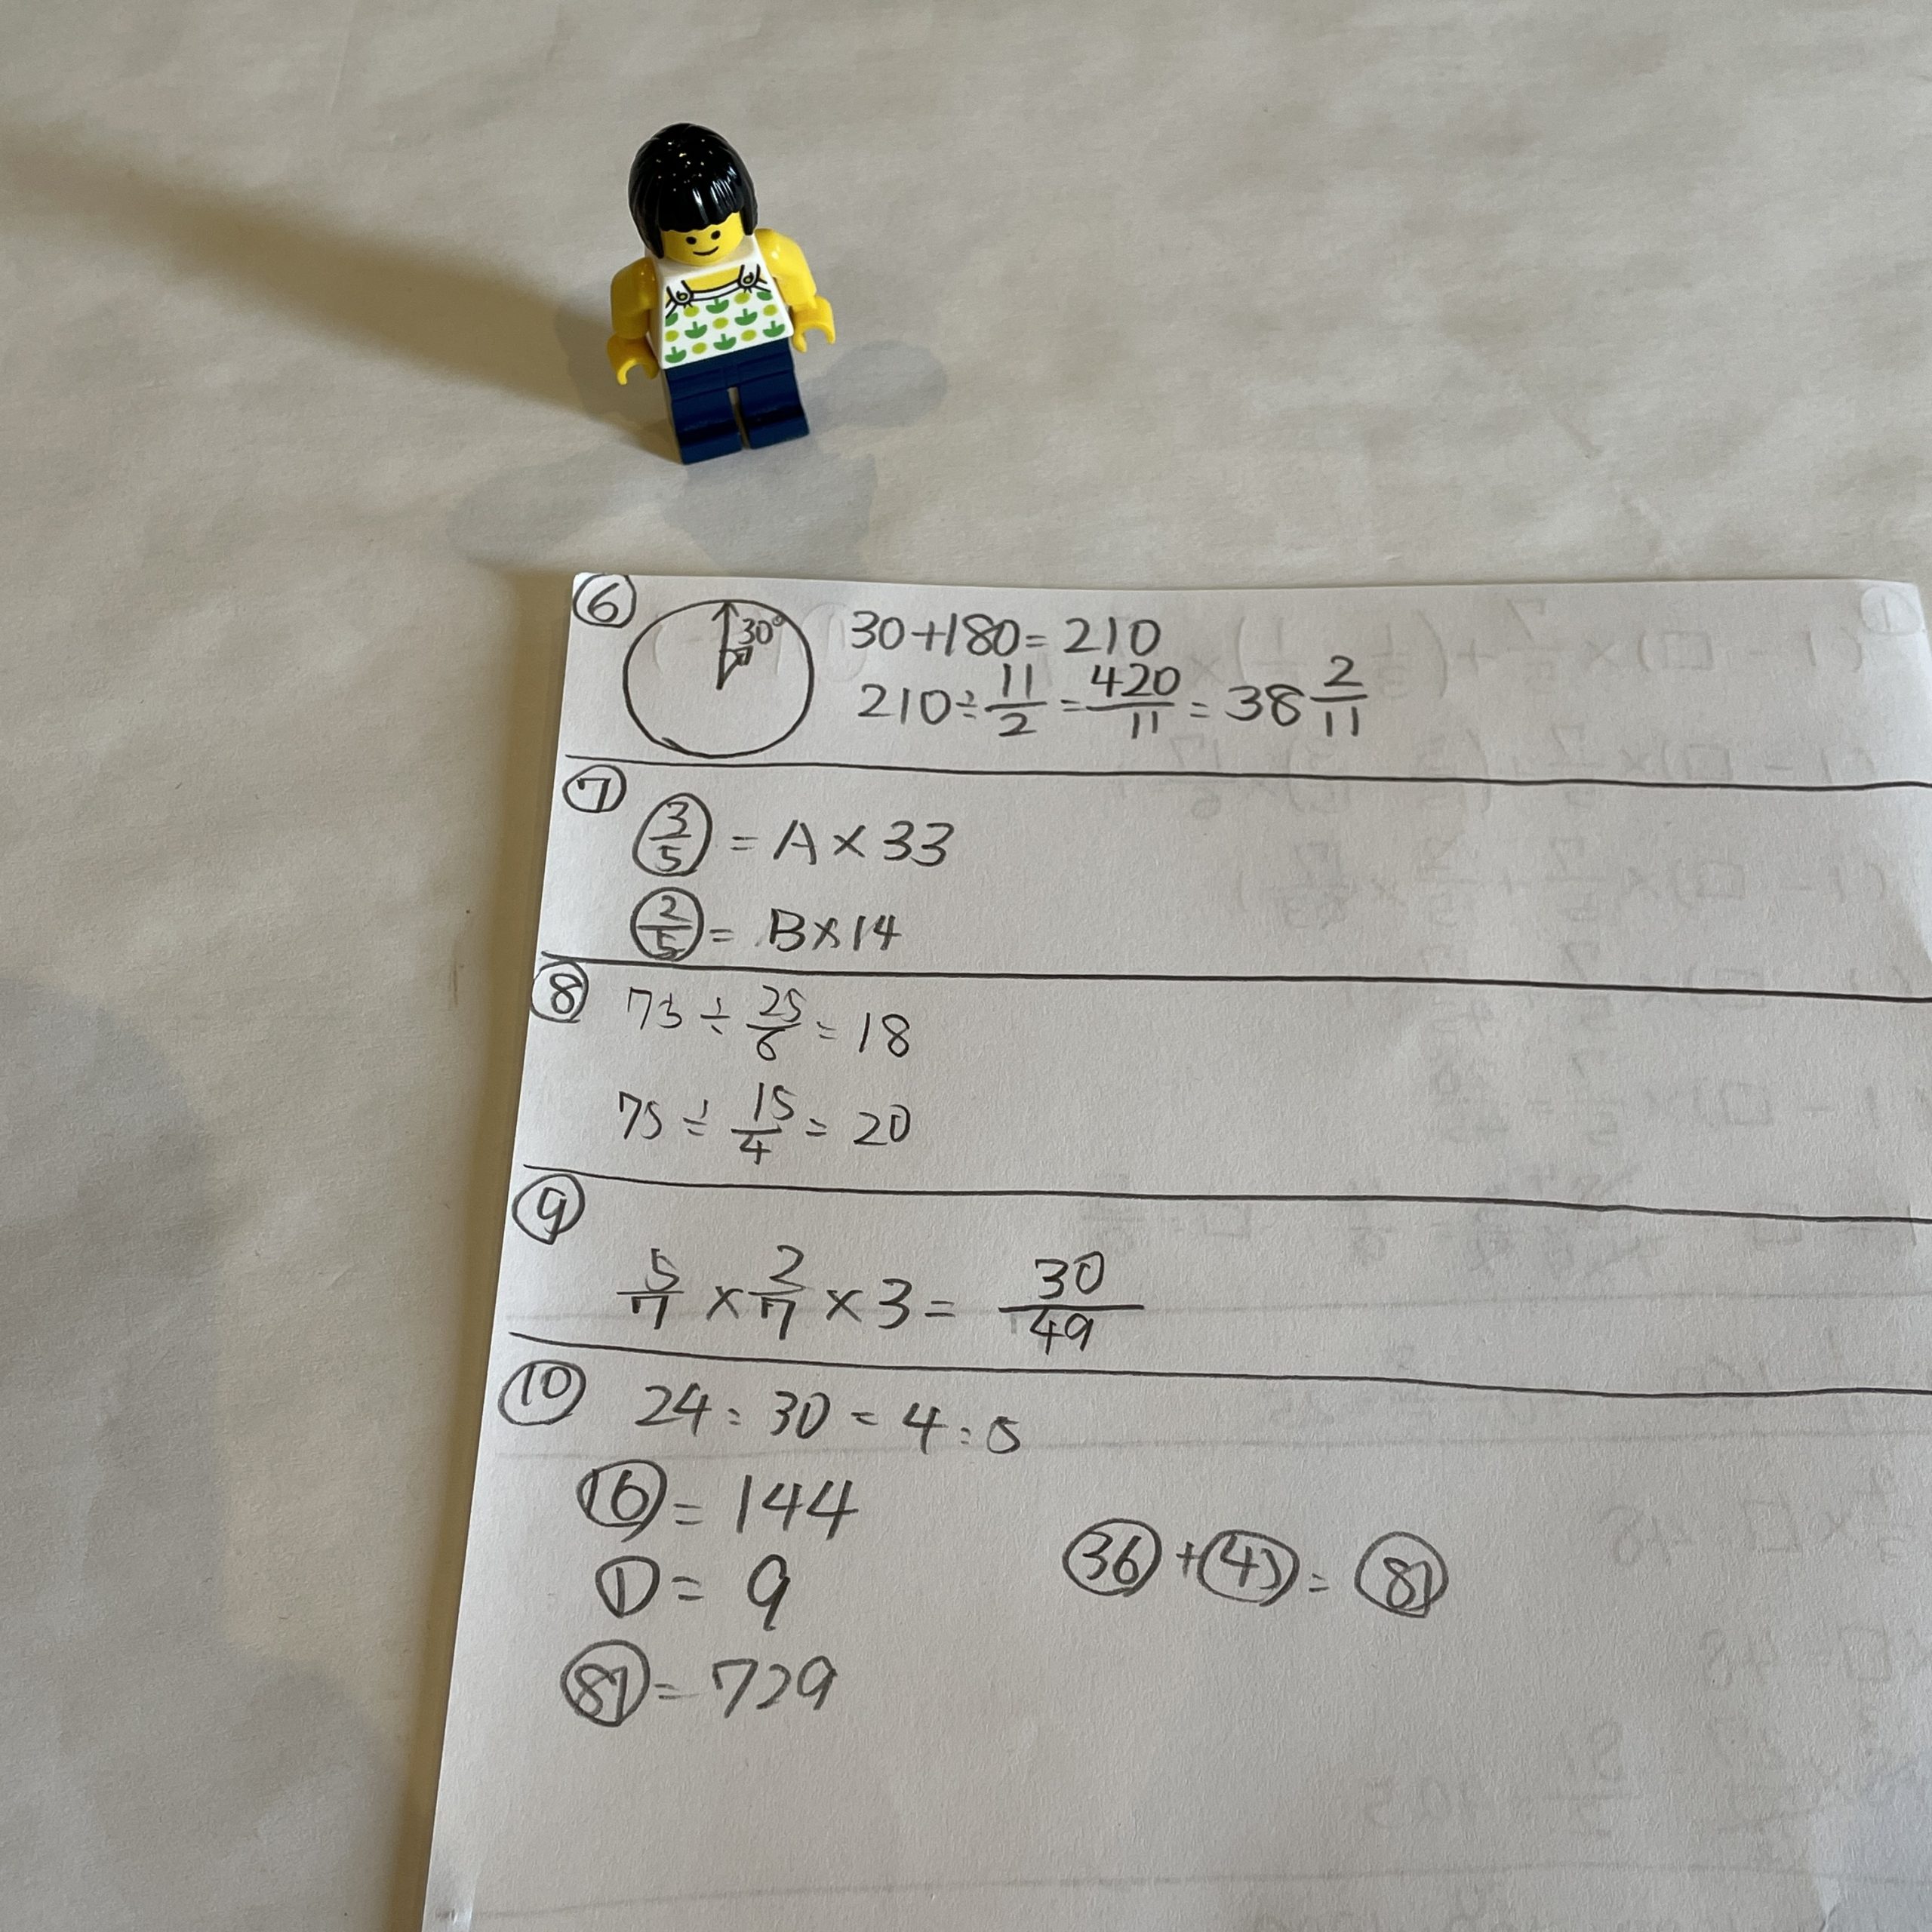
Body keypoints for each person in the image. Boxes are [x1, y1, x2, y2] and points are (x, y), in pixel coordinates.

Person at [607, 124, 835, 463]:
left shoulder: (767, 250)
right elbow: (627, 306)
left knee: (772, 395)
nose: (705, 242)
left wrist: (806, 308)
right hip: (689, 356)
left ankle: (774, 417)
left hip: (762, 339)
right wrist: (630, 344)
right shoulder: (647, 279)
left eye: (716, 229)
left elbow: (793, 272)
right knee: (699, 409)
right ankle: (705, 433)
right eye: (687, 236)